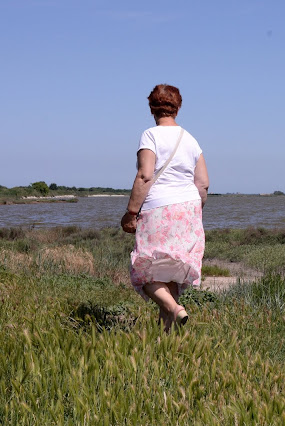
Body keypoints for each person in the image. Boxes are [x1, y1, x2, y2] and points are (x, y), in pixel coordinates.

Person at [121, 84, 209, 332]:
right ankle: (165, 338)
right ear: (178, 108)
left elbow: (145, 175)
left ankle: (175, 309)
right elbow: (203, 183)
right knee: (170, 274)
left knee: (145, 272)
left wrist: (131, 212)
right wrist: (192, 211)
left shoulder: (150, 135)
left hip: (159, 207)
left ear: (151, 108)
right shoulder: (191, 140)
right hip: (189, 207)